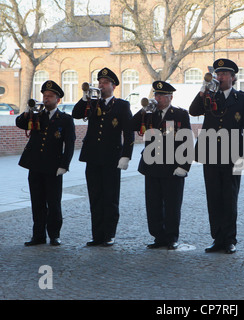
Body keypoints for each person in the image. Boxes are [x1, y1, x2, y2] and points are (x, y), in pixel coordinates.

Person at [189, 58, 244, 254]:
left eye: (224, 74)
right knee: (214, 198)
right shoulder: (210, 96)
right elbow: (193, 111)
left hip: (232, 154)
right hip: (209, 153)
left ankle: (229, 239)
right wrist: (203, 90)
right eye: (218, 74)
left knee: (229, 198)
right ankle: (217, 238)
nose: (220, 77)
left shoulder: (243, 99)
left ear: (233, 78)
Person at [72, 67, 134, 246]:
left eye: (105, 83)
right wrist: (85, 98)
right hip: (93, 157)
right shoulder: (92, 103)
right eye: (100, 82)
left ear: (113, 86)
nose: (101, 85)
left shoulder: (122, 105)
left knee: (110, 197)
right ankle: (97, 234)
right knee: (95, 197)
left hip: (111, 158)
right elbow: (76, 114)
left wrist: (126, 156)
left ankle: (109, 234)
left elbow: (128, 132)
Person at [131, 81, 193, 250]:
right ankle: (158, 236)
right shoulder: (149, 114)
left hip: (173, 166)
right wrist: (144, 110)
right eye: (156, 95)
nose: (157, 99)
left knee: (172, 205)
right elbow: (131, 125)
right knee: (153, 204)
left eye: (161, 96)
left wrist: (184, 166)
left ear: (170, 97)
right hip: (152, 166)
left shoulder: (180, 114)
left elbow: (187, 141)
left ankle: (172, 237)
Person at [16, 80, 75, 246]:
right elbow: (19, 123)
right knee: (37, 202)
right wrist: (29, 111)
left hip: (53, 167)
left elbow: (69, 144)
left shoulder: (65, 119)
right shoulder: (36, 115)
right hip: (35, 165)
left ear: (58, 100)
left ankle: (54, 235)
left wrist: (64, 165)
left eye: (50, 96)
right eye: (44, 95)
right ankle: (38, 235)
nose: (46, 98)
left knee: (54, 203)